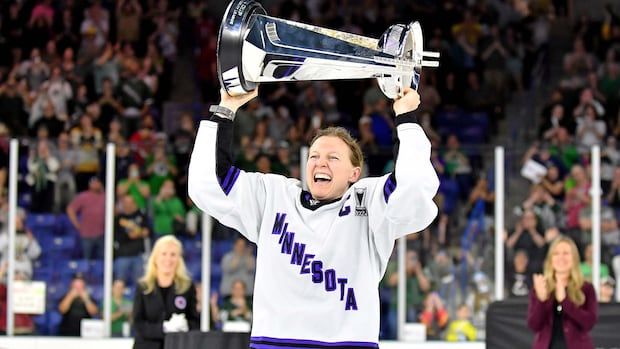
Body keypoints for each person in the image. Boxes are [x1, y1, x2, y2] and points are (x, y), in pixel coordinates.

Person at [188, 87, 438, 348]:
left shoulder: (369, 203)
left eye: (333, 158)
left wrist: (406, 117)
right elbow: (209, 183)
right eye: (315, 156)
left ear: (355, 173)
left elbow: (412, 188)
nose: (320, 163)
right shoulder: (274, 195)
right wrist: (226, 109)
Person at [527, 236, 597, 349]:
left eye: (566, 253)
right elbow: (534, 325)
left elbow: (589, 323)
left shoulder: (586, 288)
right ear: (550, 259)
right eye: (556, 253)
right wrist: (542, 300)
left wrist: (565, 302)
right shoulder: (541, 287)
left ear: (574, 258)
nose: (561, 258)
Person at [133, 235, 199, 349]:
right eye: (164, 254)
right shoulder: (143, 287)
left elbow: (195, 321)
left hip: (177, 345)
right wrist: (164, 328)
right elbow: (138, 324)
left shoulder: (187, 287)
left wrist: (185, 325)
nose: (168, 259)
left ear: (179, 259)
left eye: (173, 254)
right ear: (155, 258)